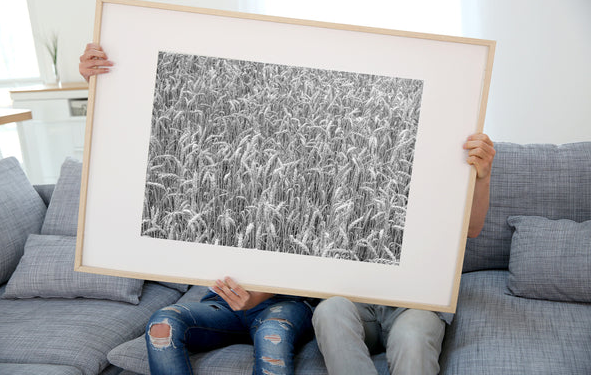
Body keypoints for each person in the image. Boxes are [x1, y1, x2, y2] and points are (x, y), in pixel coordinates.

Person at [79, 43, 315, 375]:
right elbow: (128, 147)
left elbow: (318, 259)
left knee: (273, 337)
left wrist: (258, 295)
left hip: (287, 306)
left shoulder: (307, 172)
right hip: (219, 303)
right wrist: (100, 85)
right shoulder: (208, 170)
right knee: (163, 325)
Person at [311, 133, 495, 375]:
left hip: (416, 302)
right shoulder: (343, 154)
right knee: (328, 311)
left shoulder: (449, 147)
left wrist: (483, 176)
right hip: (353, 297)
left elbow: (471, 228)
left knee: (412, 339)